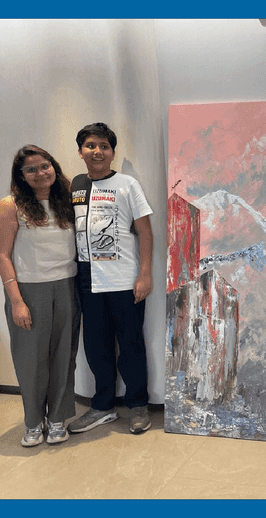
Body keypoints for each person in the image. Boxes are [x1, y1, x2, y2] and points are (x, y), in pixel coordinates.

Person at [66, 122, 154, 435]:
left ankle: (138, 405)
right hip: (88, 281)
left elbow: (145, 231)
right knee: (96, 347)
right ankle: (102, 407)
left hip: (124, 281)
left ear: (112, 152)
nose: (98, 151)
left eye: (104, 146)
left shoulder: (127, 184)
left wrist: (144, 275)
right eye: (91, 145)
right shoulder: (75, 185)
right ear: (81, 151)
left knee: (131, 346)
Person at [0, 146, 79, 447]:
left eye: (44, 166)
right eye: (30, 170)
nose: (39, 173)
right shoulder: (11, 205)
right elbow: (3, 255)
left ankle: (57, 418)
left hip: (67, 285)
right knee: (30, 359)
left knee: (63, 355)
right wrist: (17, 300)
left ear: (54, 167)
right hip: (29, 291)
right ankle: (33, 421)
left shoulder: (66, 198)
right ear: (20, 176)